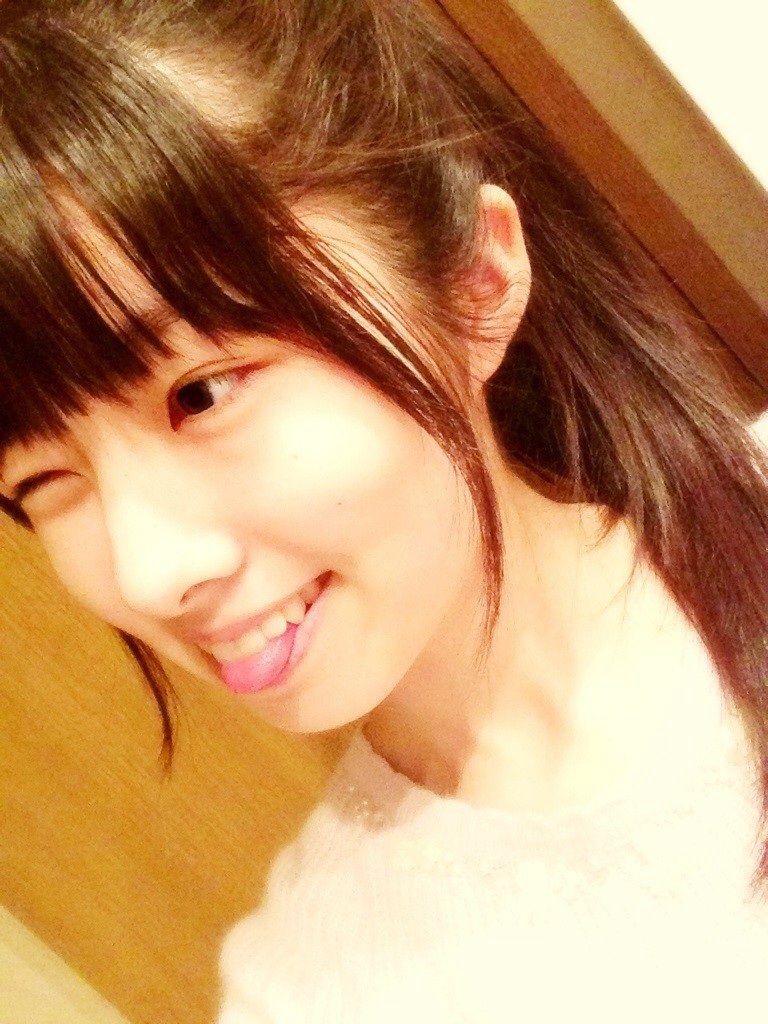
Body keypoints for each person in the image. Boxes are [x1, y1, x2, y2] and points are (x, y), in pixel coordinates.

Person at [1, 1, 767, 1020]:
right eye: (43, 484)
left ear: (477, 281)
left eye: (203, 392)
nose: (146, 574)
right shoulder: (312, 992)